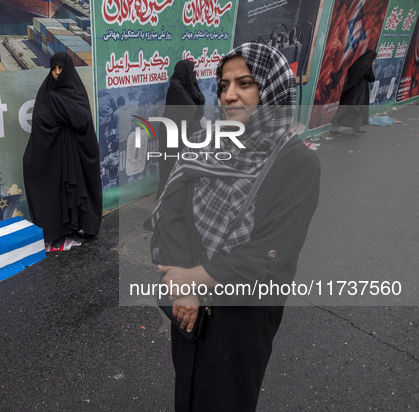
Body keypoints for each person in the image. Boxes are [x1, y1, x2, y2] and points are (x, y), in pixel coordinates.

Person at [149, 43, 320, 411]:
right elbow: (173, 210)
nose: (229, 95)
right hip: (188, 302)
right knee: (189, 385)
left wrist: (194, 278)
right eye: (224, 84)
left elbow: (271, 252)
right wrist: (185, 290)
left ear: (271, 90)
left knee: (226, 394)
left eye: (245, 83)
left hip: (241, 314)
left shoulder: (297, 163)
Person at [22, 52, 102, 245]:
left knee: (74, 191)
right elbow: (40, 120)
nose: (57, 73)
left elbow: (83, 120)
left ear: (68, 69)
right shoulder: (46, 91)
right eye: (54, 68)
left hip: (75, 152)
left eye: (61, 68)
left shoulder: (76, 91)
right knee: (56, 191)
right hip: (54, 152)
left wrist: (58, 104)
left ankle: (76, 228)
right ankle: (56, 232)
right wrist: (60, 110)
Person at [158, 60, 205, 195]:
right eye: (191, 71)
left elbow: (199, 102)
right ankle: (168, 193)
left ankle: (179, 192)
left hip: (185, 129)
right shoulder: (176, 86)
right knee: (171, 163)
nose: (194, 74)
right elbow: (192, 107)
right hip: (172, 130)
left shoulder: (188, 86)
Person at [329, 49, 377, 134]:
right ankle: (356, 129)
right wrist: (372, 66)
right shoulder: (367, 65)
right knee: (359, 111)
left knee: (344, 110)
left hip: (350, 90)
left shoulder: (357, 63)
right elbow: (371, 78)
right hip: (360, 92)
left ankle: (334, 128)